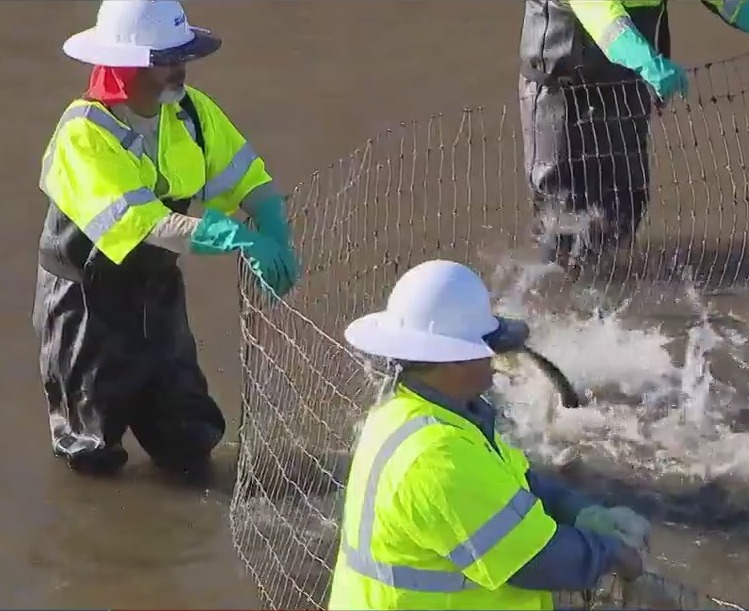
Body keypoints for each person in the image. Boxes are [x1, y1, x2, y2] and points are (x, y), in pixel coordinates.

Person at [33, 0, 299, 477]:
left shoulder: (192, 112)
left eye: (182, 56)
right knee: (92, 449)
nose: (180, 69)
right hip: (87, 302)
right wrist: (239, 238)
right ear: (125, 67)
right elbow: (148, 225)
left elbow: (247, 179)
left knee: (187, 432)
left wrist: (274, 230)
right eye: (165, 60)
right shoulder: (84, 135)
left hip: (157, 290)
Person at [329, 259, 652, 610]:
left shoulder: (419, 411)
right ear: (452, 360)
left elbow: (516, 485)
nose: (494, 360)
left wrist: (582, 512)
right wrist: (612, 555)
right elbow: (535, 561)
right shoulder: (438, 457)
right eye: (485, 349)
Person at [519, 0, 749, 266]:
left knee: (622, 201)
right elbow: (600, 14)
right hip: (560, 88)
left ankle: (613, 289)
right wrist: (645, 61)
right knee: (561, 209)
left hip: (627, 83)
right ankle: (556, 296)